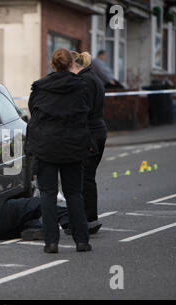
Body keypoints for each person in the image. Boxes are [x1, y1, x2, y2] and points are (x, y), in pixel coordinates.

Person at [26, 48, 94, 253]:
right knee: (74, 194)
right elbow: (86, 113)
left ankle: (51, 242)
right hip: (73, 146)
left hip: (46, 146)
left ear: (52, 65)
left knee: (47, 194)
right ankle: (82, 241)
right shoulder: (82, 87)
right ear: (72, 64)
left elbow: (34, 113)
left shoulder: (40, 88)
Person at [70, 51, 108, 234]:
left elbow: (83, 111)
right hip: (99, 130)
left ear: (74, 66)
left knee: (84, 178)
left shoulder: (84, 82)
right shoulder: (94, 78)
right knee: (88, 176)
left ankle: (88, 219)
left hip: (90, 133)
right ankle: (89, 217)